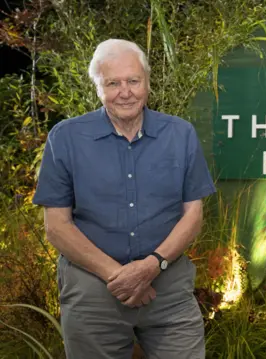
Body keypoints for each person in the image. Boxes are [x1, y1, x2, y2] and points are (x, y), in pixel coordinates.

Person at [32, 38, 215, 359]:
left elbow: (193, 216)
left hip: (168, 291)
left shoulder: (180, 134)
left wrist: (151, 266)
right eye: (113, 83)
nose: (125, 91)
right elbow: (56, 227)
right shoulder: (66, 137)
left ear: (147, 82)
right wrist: (119, 276)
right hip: (92, 294)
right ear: (97, 88)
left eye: (133, 81)